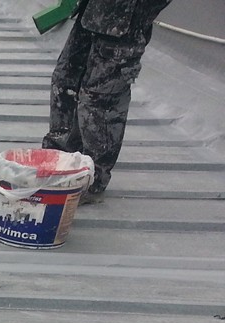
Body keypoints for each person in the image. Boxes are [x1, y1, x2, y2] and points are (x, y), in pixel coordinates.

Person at [41, 0, 172, 202]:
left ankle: (91, 179)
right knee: (66, 80)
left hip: (125, 18)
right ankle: (61, 160)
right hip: (94, 12)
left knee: (100, 99)